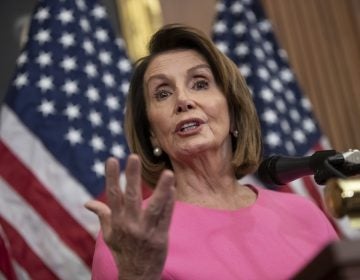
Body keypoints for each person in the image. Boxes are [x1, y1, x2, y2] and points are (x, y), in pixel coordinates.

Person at [85, 24, 339, 280]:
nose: (183, 100)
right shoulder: (134, 236)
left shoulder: (305, 215)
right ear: (151, 133)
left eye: (200, 83)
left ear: (234, 113)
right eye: (162, 93)